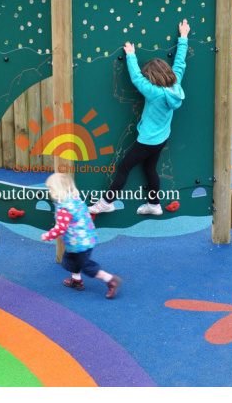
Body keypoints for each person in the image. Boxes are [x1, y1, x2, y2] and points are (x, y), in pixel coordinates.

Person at [89, 20, 190, 216]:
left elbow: (136, 78)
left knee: (124, 167)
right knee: (150, 167)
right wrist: (183, 37)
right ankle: (154, 204)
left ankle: (107, 202)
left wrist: (131, 55)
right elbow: (180, 62)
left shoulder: (154, 93)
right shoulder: (175, 84)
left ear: (152, 79)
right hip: (161, 138)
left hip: (147, 140)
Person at [41, 173, 122, 299]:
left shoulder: (64, 209)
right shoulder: (75, 199)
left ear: (58, 190)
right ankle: (77, 281)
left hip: (79, 243)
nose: (49, 192)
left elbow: (61, 228)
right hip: (82, 239)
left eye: (51, 189)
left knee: (87, 267)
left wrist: (48, 235)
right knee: (70, 260)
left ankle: (111, 280)